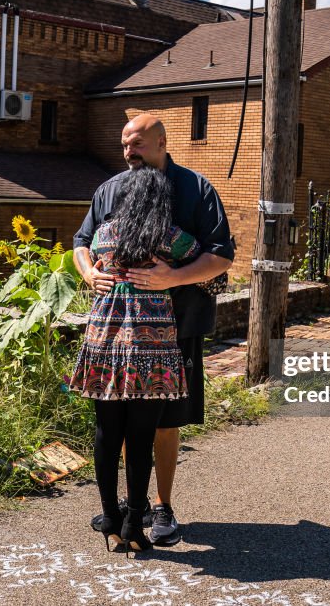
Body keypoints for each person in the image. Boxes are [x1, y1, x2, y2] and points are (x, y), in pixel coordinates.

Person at [73, 113, 234, 546]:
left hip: (178, 325)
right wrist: (90, 273)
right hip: (116, 332)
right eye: (125, 144)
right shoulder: (110, 189)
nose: (129, 152)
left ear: (162, 142)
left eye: (138, 144)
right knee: (126, 420)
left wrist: (172, 278)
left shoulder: (196, 189)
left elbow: (221, 257)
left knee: (165, 422)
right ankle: (133, 505)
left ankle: (162, 505)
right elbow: (81, 242)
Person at [66, 167, 199, 552]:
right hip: (150, 346)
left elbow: (84, 250)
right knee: (141, 438)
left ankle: (110, 518)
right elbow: (207, 265)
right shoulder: (168, 237)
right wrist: (173, 273)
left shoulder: (104, 235)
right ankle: (134, 528)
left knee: (107, 434)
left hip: (104, 341)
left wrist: (96, 271)